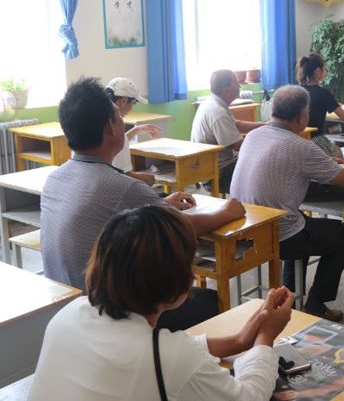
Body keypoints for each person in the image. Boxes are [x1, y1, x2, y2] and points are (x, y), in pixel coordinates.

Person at [29, 205, 294, 401]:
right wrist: (265, 338)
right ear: (178, 279)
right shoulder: (169, 358)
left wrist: (239, 340)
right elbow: (248, 397)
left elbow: (157, 351)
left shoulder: (71, 312)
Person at [40, 78, 245, 330]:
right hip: (108, 315)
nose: (123, 122)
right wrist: (227, 211)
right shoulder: (121, 186)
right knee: (210, 301)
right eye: (119, 117)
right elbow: (183, 225)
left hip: (66, 307)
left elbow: (111, 211)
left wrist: (159, 202)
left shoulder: (55, 178)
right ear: (110, 128)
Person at [231, 85, 344, 322]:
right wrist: (343, 164)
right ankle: (316, 303)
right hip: (277, 235)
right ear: (302, 117)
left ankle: (290, 296)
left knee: (298, 220)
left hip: (245, 228)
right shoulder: (302, 147)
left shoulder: (254, 136)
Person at [191, 69, 265, 193]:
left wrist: (265, 125)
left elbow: (236, 124)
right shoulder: (217, 112)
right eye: (236, 83)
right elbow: (238, 145)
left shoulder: (212, 103)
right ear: (226, 90)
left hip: (219, 167)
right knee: (267, 168)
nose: (239, 86)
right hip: (219, 173)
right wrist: (267, 142)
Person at [104, 76, 160, 185]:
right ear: (124, 101)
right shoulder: (115, 128)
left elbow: (114, 143)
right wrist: (148, 178)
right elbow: (123, 177)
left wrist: (135, 130)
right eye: (134, 103)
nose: (132, 109)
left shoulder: (96, 121)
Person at [296, 53, 344, 157]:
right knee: (338, 152)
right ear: (318, 71)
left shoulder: (296, 91)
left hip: (297, 138)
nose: (326, 72)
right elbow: (342, 114)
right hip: (315, 139)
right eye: (324, 69)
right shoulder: (323, 93)